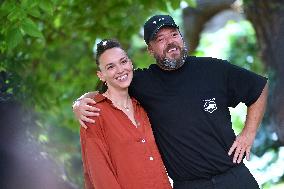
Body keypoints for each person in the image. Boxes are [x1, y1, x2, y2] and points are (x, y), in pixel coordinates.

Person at [74, 15, 268, 189]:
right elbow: (109, 88)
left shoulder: (213, 69)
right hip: (190, 185)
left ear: (181, 37)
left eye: (173, 35)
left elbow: (259, 87)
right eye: (160, 39)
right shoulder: (141, 82)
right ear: (150, 49)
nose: (170, 42)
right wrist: (81, 102)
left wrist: (248, 134)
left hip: (234, 178)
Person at [79, 39, 172, 189]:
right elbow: (100, 175)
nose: (120, 70)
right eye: (110, 67)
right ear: (101, 75)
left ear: (130, 63)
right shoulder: (93, 114)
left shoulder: (143, 107)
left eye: (123, 62)